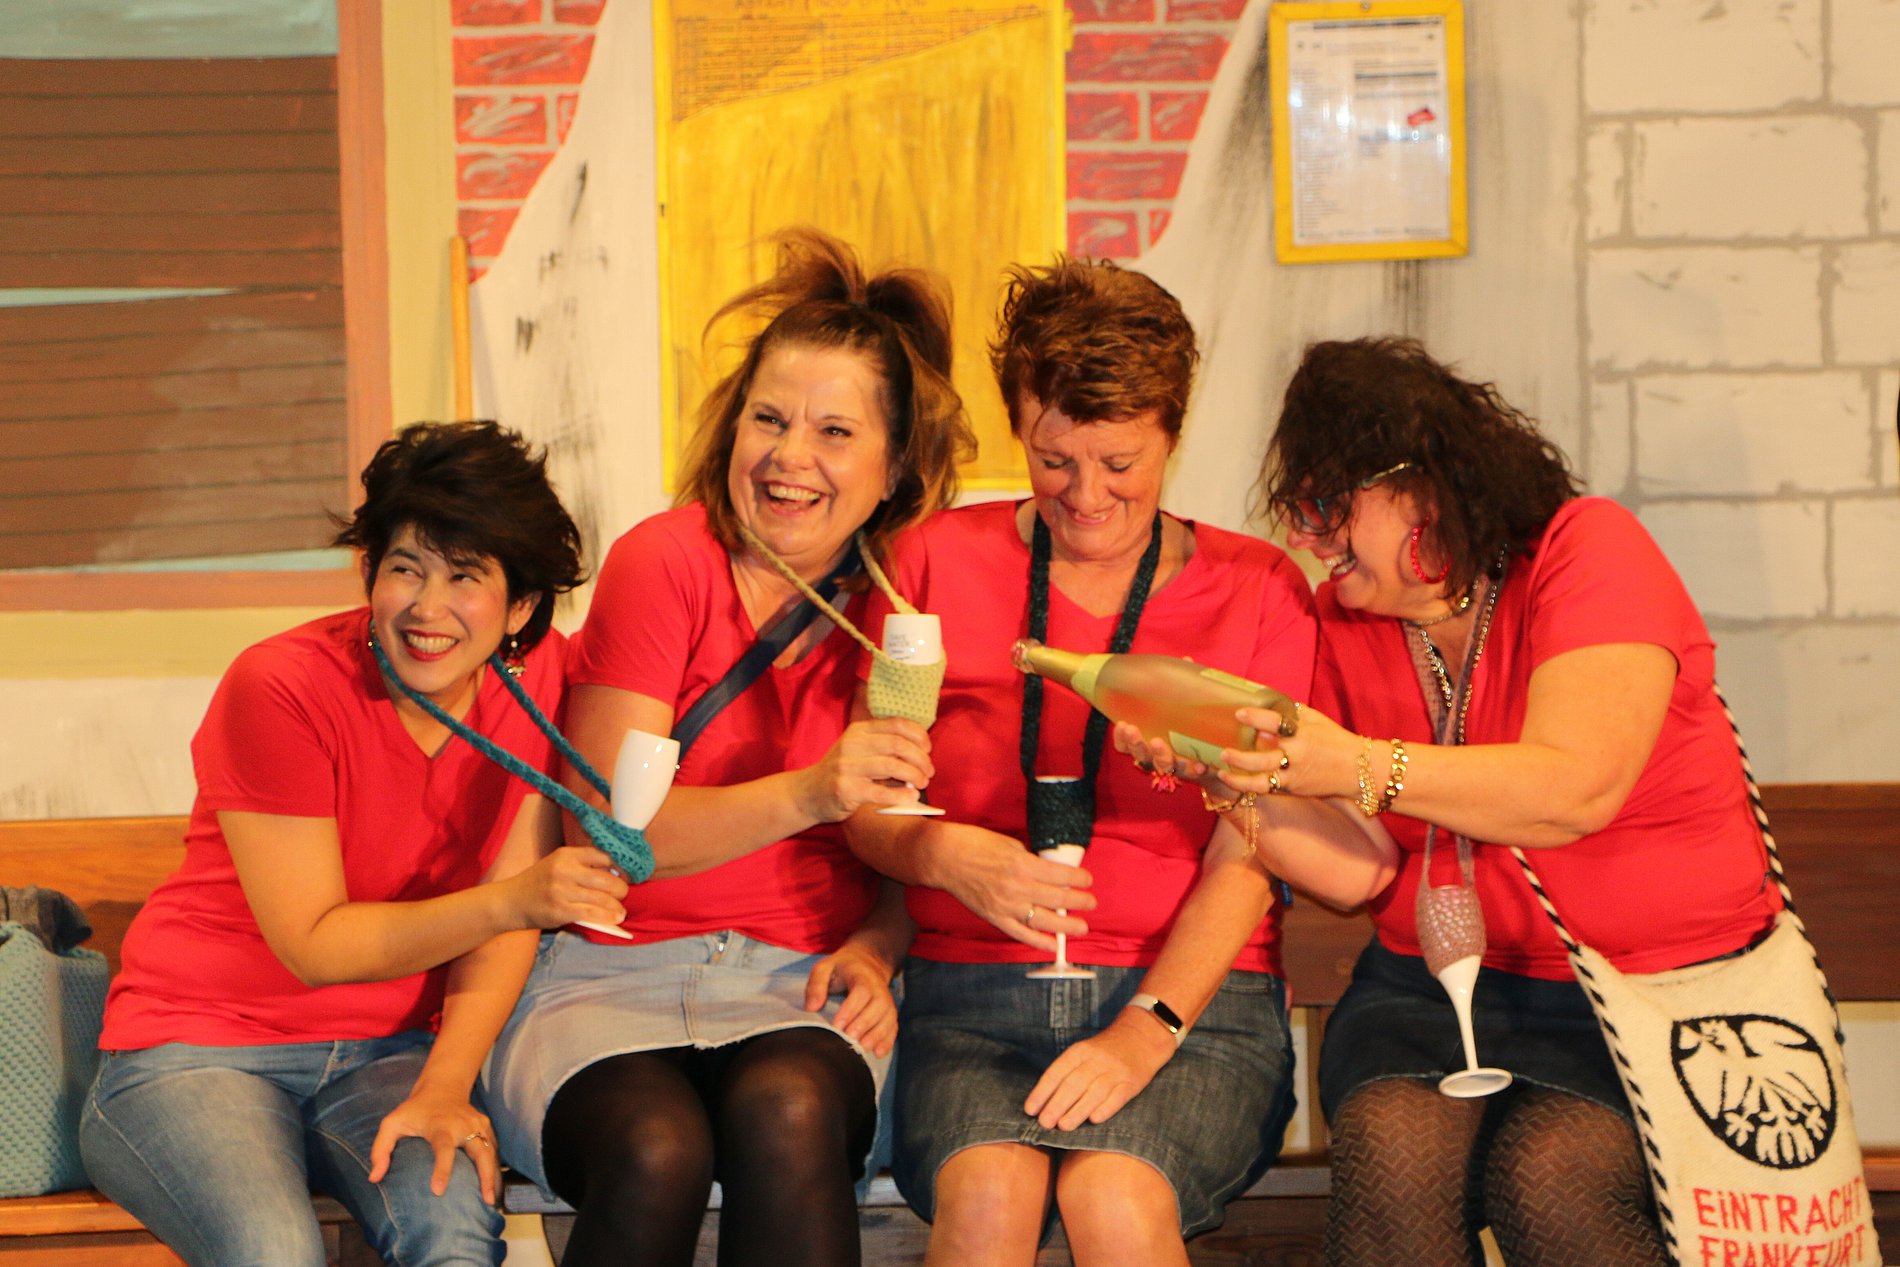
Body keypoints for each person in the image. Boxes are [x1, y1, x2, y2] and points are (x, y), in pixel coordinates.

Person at [1132, 337, 1782, 1267]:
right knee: (1389, 1150)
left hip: (1650, 993)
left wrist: (1357, 762)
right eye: (1295, 511)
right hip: (1431, 989)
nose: (1308, 539)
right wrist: (1233, 783)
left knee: (1551, 1177)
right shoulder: (1342, 620)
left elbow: (1576, 788)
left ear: (1420, 489)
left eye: (1325, 506)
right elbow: (1360, 871)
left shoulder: (1587, 552)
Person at [845, 259, 1392, 1267]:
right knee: (987, 1192)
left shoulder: (1257, 587)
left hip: (1194, 1006)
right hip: (970, 1001)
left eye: (1120, 461)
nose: (1086, 495)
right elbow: (870, 796)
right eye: (1053, 459)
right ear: (1018, 424)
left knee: (1114, 1192)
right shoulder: (928, 562)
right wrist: (944, 856)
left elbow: (1253, 848)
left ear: (1173, 432)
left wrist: (1147, 1026)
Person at [482, 228, 974, 1267]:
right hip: (605, 976)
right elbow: (609, 829)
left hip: (800, 981)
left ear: (893, 465)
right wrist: (809, 791)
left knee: (788, 1110)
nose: (790, 456)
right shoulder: (666, 561)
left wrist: (878, 948)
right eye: (769, 418)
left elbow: (906, 837)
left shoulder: (903, 604)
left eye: (835, 432)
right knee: (655, 1145)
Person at [81, 421, 626, 1267]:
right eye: (405, 567)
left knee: (452, 1228)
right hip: (196, 1047)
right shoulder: (283, 684)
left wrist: (445, 1086)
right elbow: (317, 943)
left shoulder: (539, 679)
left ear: (520, 605)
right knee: (274, 1251)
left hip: (388, 1055)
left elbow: (508, 921)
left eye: (465, 576)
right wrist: (512, 900)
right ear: (368, 569)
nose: (428, 607)